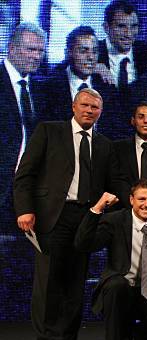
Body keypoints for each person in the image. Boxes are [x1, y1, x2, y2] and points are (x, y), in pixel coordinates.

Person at [13, 88, 128, 340]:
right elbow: (25, 174)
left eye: (95, 107)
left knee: (75, 284)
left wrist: (138, 202)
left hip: (87, 218)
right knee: (49, 283)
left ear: (101, 112)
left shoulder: (103, 144)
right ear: (74, 106)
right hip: (53, 216)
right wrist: (25, 209)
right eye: (85, 105)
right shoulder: (49, 131)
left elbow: (116, 182)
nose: (89, 111)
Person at [73, 180, 147, 340]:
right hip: (121, 287)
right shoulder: (116, 220)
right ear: (131, 200)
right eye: (141, 199)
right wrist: (97, 208)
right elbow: (83, 244)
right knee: (116, 285)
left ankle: (139, 334)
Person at [1, 23, 46, 215]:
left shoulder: (39, 88)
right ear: (11, 48)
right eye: (30, 49)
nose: (36, 56)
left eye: (40, 51)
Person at [44, 26, 120, 137]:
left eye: (94, 52)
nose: (91, 57)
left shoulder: (107, 88)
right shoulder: (50, 88)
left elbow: (115, 131)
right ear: (69, 52)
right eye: (84, 51)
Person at [97, 0, 147, 88]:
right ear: (106, 28)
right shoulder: (93, 51)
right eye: (121, 26)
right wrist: (91, 67)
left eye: (134, 26)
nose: (129, 34)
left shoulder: (146, 52)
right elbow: (68, 68)